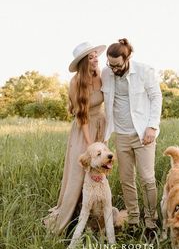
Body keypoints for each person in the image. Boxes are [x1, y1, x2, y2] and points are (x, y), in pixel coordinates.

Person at [44, 41, 106, 235]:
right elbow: (82, 116)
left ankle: (92, 219)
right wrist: (90, 145)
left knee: (99, 173)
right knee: (79, 173)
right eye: (91, 57)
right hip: (84, 129)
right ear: (82, 62)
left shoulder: (101, 75)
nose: (96, 59)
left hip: (101, 126)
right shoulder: (75, 82)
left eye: (96, 55)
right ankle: (64, 220)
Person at [101, 38, 162, 233]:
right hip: (121, 134)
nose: (113, 69)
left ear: (128, 58)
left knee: (147, 178)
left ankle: (151, 221)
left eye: (117, 65)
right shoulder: (106, 73)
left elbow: (156, 97)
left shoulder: (144, 71)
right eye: (110, 65)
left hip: (143, 133)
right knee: (126, 179)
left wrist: (152, 127)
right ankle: (134, 221)